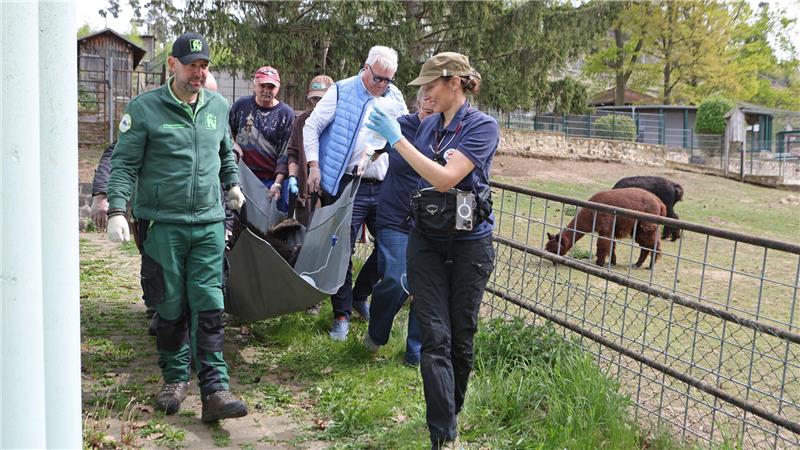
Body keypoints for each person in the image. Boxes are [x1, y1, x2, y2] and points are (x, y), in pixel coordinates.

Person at [105, 32, 248, 423]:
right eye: (192, 65)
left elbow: (224, 152)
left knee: (210, 304)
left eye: (204, 65)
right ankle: (173, 378)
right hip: (163, 225)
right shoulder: (145, 109)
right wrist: (117, 209)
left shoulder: (218, 106)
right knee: (169, 304)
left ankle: (215, 389)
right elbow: (124, 164)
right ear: (172, 65)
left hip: (208, 224)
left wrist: (232, 184)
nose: (199, 72)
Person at [366, 52, 498, 450]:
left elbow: (444, 179)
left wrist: (398, 140)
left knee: (462, 336)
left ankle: (450, 413)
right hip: (425, 243)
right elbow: (402, 145)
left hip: (470, 245)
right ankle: (443, 435)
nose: (424, 94)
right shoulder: (426, 128)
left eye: (430, 86)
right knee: (435, 337)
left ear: (453, 83)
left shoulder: (481, 127)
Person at [303, 45, 407, 340]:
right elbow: (311, 127)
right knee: (342, 251)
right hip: (347, 183)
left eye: (389, 80)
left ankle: (362, 295)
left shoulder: (394, 97)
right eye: (378, 79)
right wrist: (314, 167)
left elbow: (406, 133)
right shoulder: (341, 91)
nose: (383, 86)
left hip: (385, 185)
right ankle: (341, 315)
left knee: (391, 246)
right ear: (365, 69)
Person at [364, 86, 435, 365]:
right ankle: (377, 333)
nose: (430, 108)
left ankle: (415, 351)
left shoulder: (446, 133)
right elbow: (369, 144)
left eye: (436, 105)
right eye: (426, 103)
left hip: (431, 221)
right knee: (396, 278)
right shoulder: (399, 126)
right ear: (417, 104)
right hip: (395, 216)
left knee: (426, 284)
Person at [90, 72, 217, 228]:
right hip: (156, 217)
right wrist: (102, 194)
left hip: (205, 220)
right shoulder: (151, 114)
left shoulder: (215, 119)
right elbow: (119, 158)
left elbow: (226, 170)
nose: (201, 97)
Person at [229, 66, 295, 211]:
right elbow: (228, 131)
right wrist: (234, 144)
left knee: (275, 220)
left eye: (271, 86)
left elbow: (285, 153)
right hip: (243, 177)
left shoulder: (286, 114)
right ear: (254, 84)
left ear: (277, 88)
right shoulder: (241, 105)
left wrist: (277, 183)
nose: (266, 90)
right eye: (262, 85)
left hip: (271, 179)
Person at [286, 75, 334, 227]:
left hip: (331, 191)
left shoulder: (337, 121)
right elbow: (293, 153)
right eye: (314, 99)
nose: (317, 103)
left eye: (322, 99)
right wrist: (293, 177)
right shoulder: (301, 121)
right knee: (305, 238)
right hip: (307, 191)